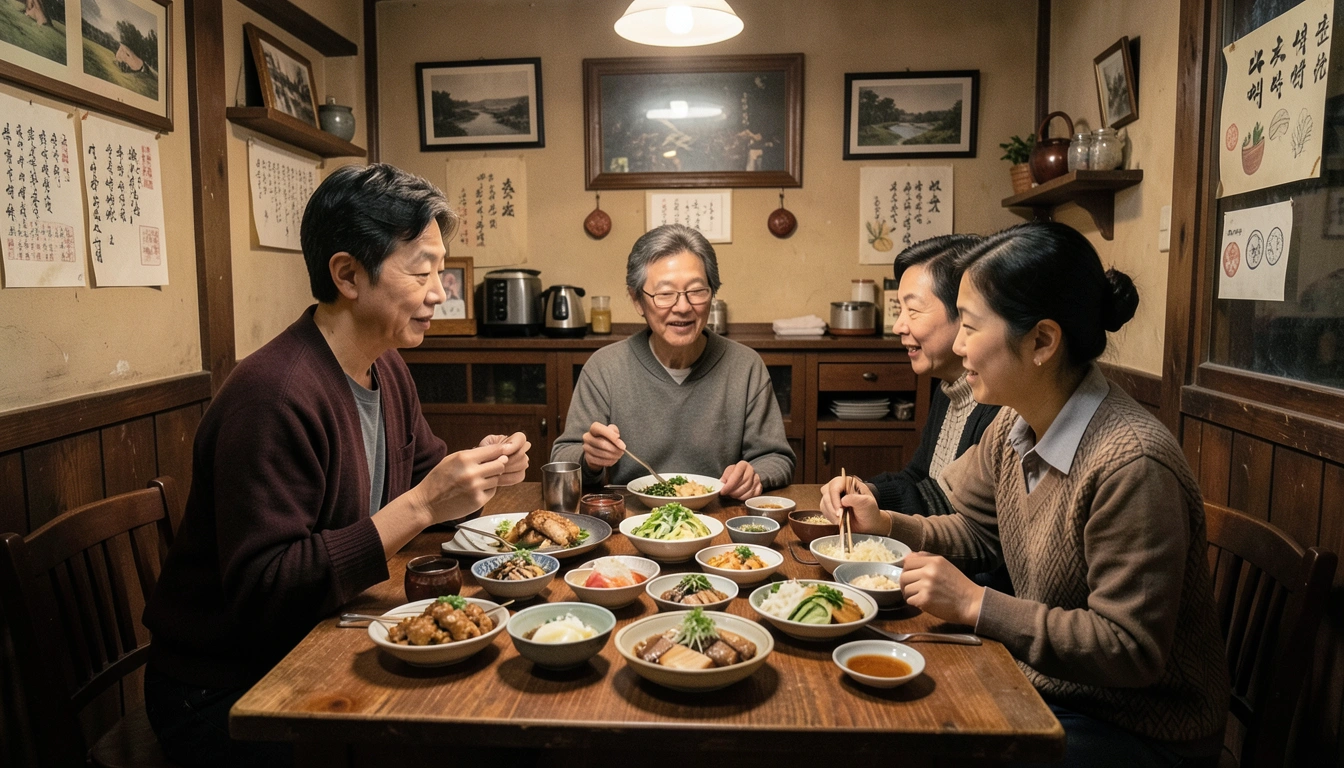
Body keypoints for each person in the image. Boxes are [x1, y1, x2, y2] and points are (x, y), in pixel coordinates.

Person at [141, 164, 531, 767]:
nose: (439, 291)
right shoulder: (274, 395)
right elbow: (266, 589)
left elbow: (428, 472)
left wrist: (481, 474)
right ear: (348, 274)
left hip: (320, 636)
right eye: (422, 270)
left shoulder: (386, 364)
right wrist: (425, 503)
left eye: (441, 270)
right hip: (226, 691)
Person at [829, 222, 1228, 767]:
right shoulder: (1014, 426)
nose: (960, 344)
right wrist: (886, 524)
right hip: (1050, 687)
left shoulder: (1130, 461)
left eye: (969, 325)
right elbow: (972, 528)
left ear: (1041, 340)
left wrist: (975, 604)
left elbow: (1129, 649)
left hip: (1138, 727)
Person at [551, 224, 794, 499]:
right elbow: (563, 458)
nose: (682, 307)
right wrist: (591, 458)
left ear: (712, 293)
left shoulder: (745, 366)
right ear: (637, 300)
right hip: (632, 520)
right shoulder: (605, 368)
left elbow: (776, 457)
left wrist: (755, 475)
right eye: (665, 293)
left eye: (697, 291)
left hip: (719, 520)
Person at [819, 234, 1000, 520]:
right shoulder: (948, 388)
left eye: (913, 311)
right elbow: (921, 477)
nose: (900, 326)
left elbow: (958, 515)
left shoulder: (999, 403)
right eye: (899, 310)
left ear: (966, 313)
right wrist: (867, 490)